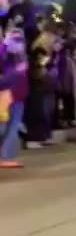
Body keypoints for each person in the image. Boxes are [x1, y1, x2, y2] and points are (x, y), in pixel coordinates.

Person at [0, 28, 29, 169]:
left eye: (20, 40)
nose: (18, 43)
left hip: (16, 95)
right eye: (15, 39)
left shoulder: (20, 58)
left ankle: (6, 157)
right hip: (9, 95)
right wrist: (5, 45)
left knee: (9, 126)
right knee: (9, 126)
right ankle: (6, 157)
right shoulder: (8, 56)